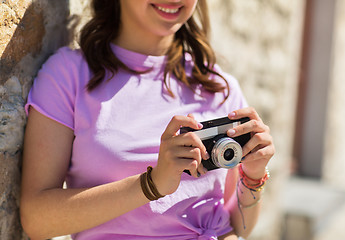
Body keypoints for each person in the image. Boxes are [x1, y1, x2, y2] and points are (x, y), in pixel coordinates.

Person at [20, 0, 275, 239]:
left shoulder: (221, 87)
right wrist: (151, 185)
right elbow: (36, 220)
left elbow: (240, 226)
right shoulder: (68, 75)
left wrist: (253, 176)